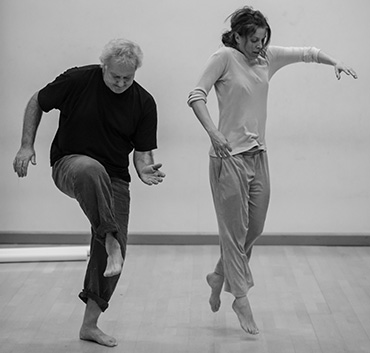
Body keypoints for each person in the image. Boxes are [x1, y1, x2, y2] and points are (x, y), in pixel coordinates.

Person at [187, 6, 357, 335]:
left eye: (264, 39)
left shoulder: (267, 58)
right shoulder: (223, 58)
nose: (259, 45)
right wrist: (213, 132)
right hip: (228, 159)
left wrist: (334, 61)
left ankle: (220, 274)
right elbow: (196, 96)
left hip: (258, 156)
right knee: (233, 235)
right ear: (237, 36)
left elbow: (306, 53)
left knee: (256, 228)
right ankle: (240, 298)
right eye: (253, 40)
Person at [13, 38, 165, 347]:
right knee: (92, 170)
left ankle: (90, 325)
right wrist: (27, 144)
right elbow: (36, 102)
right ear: (103, 67)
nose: (121, 83)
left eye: (128, 78)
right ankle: (110, 238)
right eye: (115, 77)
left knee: (112, 258)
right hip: (71, 166)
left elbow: (142, 153)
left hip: (116, 179)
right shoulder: (78, 80)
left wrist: (145, 169)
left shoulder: (144, 102)